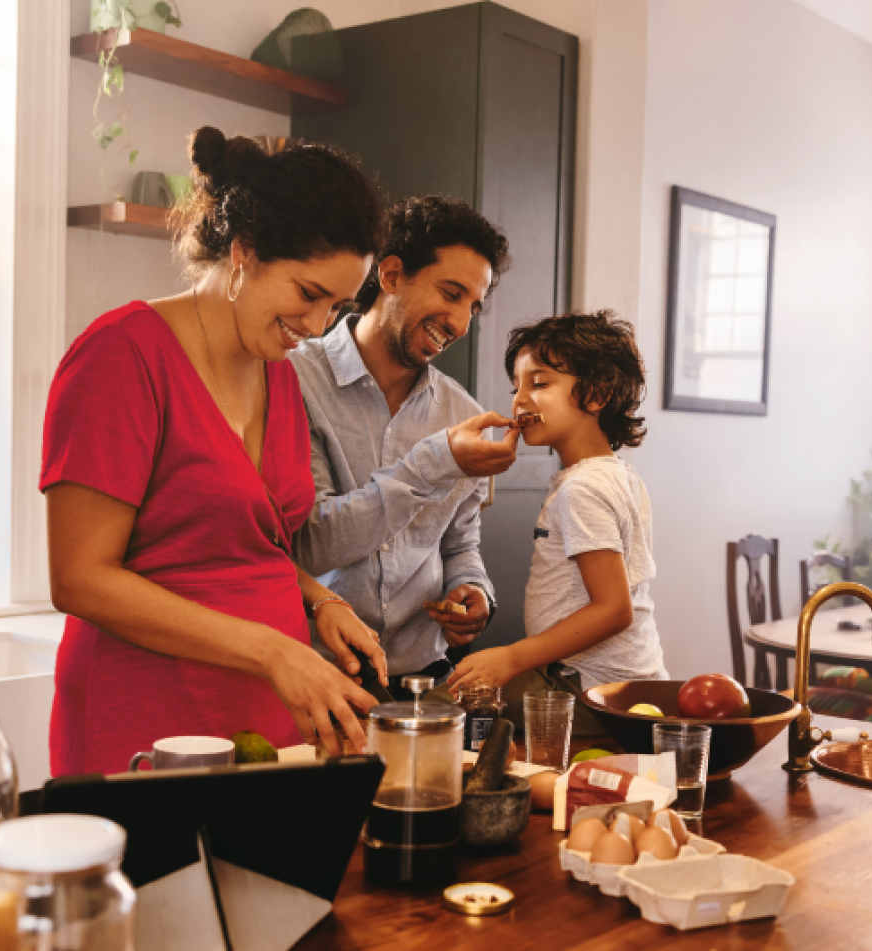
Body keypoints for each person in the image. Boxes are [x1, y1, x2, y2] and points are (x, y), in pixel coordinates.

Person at [41, 128, 390, 774]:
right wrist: (273, 651)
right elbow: (79, 577)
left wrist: (319, 600)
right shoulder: (121, 355)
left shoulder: (279, 373)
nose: (318, 327)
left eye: (338, 306)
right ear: (244, 251)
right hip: (145, 721)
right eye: (309, 293)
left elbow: (239, 545)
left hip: (266, 721)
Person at [293, 197, 518, 700]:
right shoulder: (294, 379)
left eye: (472, 306)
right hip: (317, 679)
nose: (460, 323)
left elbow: (459, 544)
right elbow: (310, 542)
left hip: (423, 681)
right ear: (392, 274)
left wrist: (474, 593)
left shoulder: (462, 413)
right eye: (451, 293)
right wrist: (437, 462)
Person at [445, 310, 667, 725]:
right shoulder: (617, 474)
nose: (520, 399)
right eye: (516, 386)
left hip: (584, 689)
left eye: (540, 383)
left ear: (597, 395)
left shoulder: (582, 488)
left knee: (438, 715)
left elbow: (614, 609)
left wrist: (512, 657)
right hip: (619, 686)